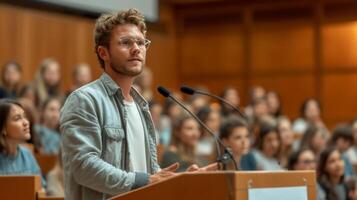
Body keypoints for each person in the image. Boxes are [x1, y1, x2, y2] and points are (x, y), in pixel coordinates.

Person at [60, 9, 216, 200]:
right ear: (103, 52)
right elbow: (83, 167)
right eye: (126, 42)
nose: (136, 48)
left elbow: (147, 173)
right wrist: (146, 181)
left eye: (141, 42)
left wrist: (180, 179)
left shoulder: (141, 106)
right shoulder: (85, 99)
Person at [0, 99, 44, 185]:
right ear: (3, 128)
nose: (26, 122)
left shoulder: (27, 154)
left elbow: (40, 188)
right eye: (17, 118)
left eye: (24, 116)